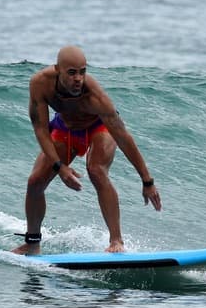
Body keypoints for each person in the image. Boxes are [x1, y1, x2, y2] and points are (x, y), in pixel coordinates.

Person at [13, 45, 162, 255]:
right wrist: (60, 167)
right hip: (66, 127)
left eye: (83, 72)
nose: (78, 79)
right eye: (72, 72)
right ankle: (32, 242)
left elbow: (123, 137)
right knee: (35, 182)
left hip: (98, 127)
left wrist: (147, 181)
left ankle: (116, 241)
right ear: (57, 69)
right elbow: (41, 129)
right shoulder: (40, 84)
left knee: (96, 170)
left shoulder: (96, 97)